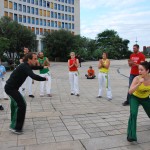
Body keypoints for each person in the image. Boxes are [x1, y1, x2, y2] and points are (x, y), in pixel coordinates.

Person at [5, 52, 48, 134]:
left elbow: (34, 67)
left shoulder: (26, 65)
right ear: (29, 59)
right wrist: (44, 79)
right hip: (10, 89)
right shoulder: (25, 66)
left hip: (12, 88)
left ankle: (13, 124)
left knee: (15, 105)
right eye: (35, 59)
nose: (36, 60)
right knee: (22, 104)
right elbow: (33, 76)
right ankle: (16, 128)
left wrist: (42, 66)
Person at [127, 61, 150, 142]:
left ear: (147, 71)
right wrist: (138, 84)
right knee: (133, 113)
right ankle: (131, 135)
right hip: (135, 98)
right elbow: (130, 92)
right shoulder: (136, 78)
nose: (139, 71)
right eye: (139, 69)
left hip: (146, 98)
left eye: (141, 70)